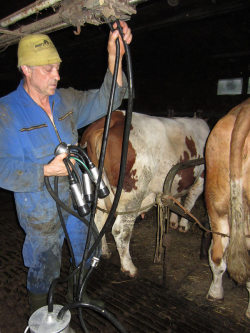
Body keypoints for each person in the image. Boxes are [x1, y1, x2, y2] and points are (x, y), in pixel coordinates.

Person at [0, 21, 132, 313]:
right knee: (45, 265)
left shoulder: (66, 99)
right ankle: (42, 317)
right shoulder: (5, 112)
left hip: (77, 197)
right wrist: (46, 171)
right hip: (39, 206)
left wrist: (115, 56)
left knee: (88, 249)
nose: (57, 75)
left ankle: (78, 296)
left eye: (57, 67)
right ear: (26, 69)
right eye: (48, 69)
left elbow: (110, 99)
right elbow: (2, 167)